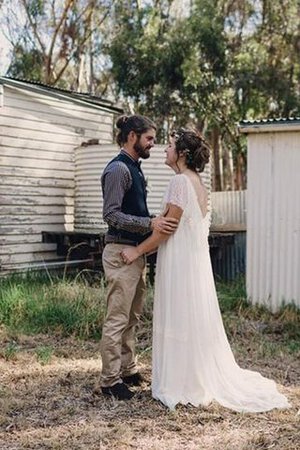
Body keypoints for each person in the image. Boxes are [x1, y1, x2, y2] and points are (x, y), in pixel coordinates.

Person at [121, 128, 290, 412]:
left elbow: (167, 229)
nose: (165, 149)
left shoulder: (179, 182)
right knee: (190, 316)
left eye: (171, 145)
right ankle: (192, 374)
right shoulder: (198, 183)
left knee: (179, 316)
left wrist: (136, 251)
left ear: (182, 154)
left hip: (179, 261)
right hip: (194, 262)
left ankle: (182, 381)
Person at [100, 115, 178, 401]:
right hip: (120, 253)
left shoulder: (135, 168)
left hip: (134, 253)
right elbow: (111, 214)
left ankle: (128, 369)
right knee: (117, 318)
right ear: (132, 136)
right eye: (149, 139)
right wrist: (150, 224)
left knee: (132, 317)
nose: (152, 144)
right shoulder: (119, 169)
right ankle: (109, 380)